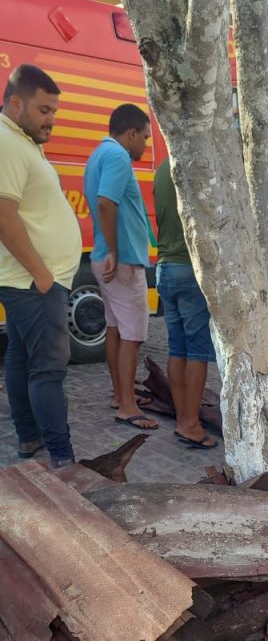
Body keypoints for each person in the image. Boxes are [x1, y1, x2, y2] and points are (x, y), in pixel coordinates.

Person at [0, 65, 81, 468]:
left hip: (31, 281)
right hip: (34, 283)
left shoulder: (22, 141)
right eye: (45, 110)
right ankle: (63, 461)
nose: (52, 119)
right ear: (16, 103)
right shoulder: (7, 142)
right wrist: (43, 276)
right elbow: (4, 217)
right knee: (48, 369)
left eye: (55, 111)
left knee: (20, 359)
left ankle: (30, 441)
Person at [84, 103, 158, 431]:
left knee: (115, 329)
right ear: (130, 134)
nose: (145, 144)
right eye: (143, 137)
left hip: (108, 256)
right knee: (133, 335)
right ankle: (127, 406)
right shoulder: (117, 157)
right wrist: (115, 249)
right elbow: (105, 202)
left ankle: (121, 395)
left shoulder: (99, 154)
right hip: (123, 259)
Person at [153, 158, 217, 449]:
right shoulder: (196, 162)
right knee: (197, 350)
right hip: (191, 268)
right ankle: (190, 423)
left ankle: (183, 419)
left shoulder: (162, 169)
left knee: (177, 346)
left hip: (165, 266)